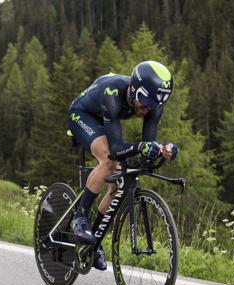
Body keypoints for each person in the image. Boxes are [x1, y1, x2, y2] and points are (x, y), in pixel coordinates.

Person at [67, 61, 178, 271]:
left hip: (108, 119)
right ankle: (79, 217)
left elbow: (147, 144)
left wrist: (162, 150)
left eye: (154, 105)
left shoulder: (153, 105)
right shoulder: (113, 92)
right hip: (83, 115)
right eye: (144, 101)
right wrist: (141, 147)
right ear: (134, 89)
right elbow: (116, 149)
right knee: (109, 161)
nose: (146, 109)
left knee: (117, 186)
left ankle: (94, 239)